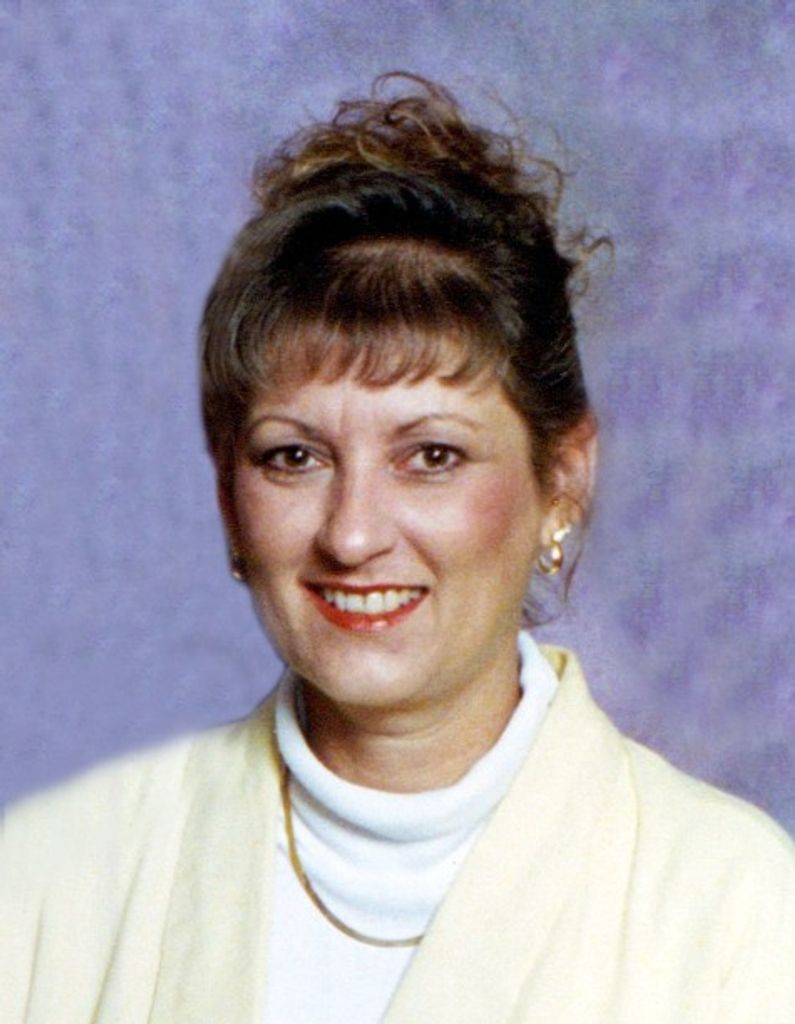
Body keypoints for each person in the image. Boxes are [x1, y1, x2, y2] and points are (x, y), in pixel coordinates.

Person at [2, 74, 794, 1024]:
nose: (352, 533)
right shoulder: (49, 887)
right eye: (294, 457)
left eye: (431, 457)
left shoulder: (735, 913)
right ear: (227, 499)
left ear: (561, 481)